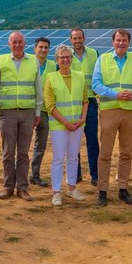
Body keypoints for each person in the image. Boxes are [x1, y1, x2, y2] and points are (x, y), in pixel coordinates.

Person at [92, 28, 132, 206]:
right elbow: (96, 84)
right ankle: (103, 190)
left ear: (129, 43)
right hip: (109, 110)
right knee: (105, 153)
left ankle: (123, 189)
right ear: (113, 42)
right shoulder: (103, 59)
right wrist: (115, 94)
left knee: (126, 152)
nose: (121, 43)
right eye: (118, 40)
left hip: (129, 112)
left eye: (124, 40)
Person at [0, 31, 43, 201]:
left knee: (23, 153)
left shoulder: (33, 61)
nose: (17, 45)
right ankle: (8, 187)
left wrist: (37, 112)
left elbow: (38, 89)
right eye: (14, 42)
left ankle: (22, 188)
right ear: (9, 44)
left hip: (28, 113)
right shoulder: (1, 61)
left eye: (20, 42)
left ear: (25, 43)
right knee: (8, 152)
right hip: (7, 113)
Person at [44, 45, 89, 206]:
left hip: (77, 125)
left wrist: (82, 118)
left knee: (73, 156)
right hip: (59, 126)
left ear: (72, 58)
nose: (65, 59)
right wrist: (65, 123)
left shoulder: (80, 76)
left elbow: (85, 100)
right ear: (57, 60)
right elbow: (50, 106)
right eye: (62, 57)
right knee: (58, 158)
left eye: (68, 56)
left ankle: (71, 188)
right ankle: (56, 192)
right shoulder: (51, 77)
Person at [70, 27, 100, 185]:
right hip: (73, 104)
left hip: (91, 103)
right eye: (74, 38)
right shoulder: (66, 55)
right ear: (71, 40)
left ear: (84, 38)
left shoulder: (94, 54)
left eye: (79, 38)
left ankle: (96, 175)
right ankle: (77, 174)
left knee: (92, 140)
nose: (77, 41)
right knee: (74, 141)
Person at [30, 37, 56, 188]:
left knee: (41, 144)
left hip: (45, 110)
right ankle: (18, 175)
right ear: (35, 49)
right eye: (41, 47)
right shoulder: (28, 63)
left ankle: (35, 174)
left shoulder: (53, 65)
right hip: (28, 108)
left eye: (46, 47)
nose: (43, 50)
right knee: (22, 144)